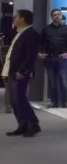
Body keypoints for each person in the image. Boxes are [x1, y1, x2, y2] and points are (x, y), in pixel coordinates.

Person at [5, 9, 41, 137]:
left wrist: (23, 71)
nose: (14, 18)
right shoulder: (19, 33)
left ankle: (33, 124)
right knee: (15, 101)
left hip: (21, 73)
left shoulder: (31, 34)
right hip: (13, 71)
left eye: (16, 16)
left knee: (21, 100)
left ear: (23, 19)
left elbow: (30, 56)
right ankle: (23, 125)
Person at [40, 8, 67, 108]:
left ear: (61, 15)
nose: (57, 16)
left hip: (62, 58)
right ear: (51, 17)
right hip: (50, 58)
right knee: (52, 82)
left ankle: (65, 102)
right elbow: (41, 42)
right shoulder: (46, 29)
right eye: (55, 15)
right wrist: (40, 53)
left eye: (59, 14)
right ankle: (54, 102)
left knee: (64, 81)